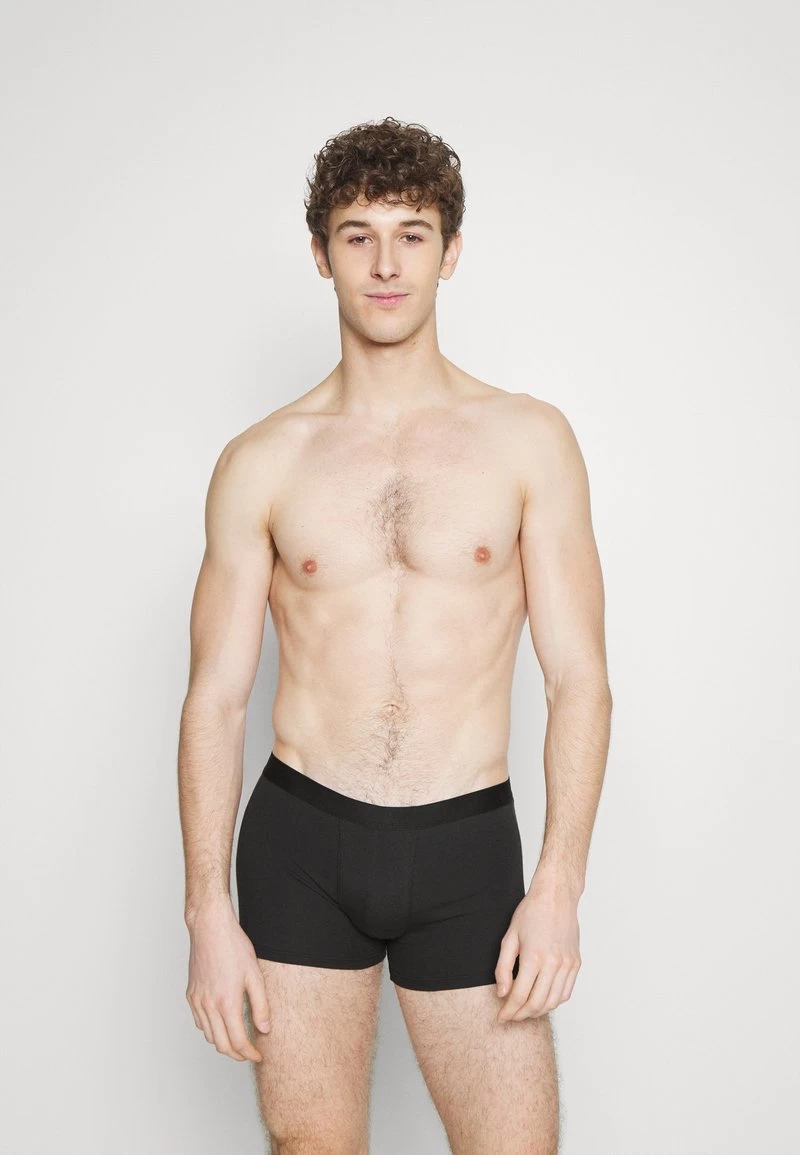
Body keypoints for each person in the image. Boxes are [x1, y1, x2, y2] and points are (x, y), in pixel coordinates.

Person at [178, 115, 612, 1155]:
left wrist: (557, 885)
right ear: (320, 252)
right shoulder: (262, 460)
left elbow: (579, 680)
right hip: (300, 844)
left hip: (465, 846)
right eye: (357, 234)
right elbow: (215, 698)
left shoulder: (528, 440)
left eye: (411, 234)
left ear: (448, 253)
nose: (384, 264)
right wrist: (206, 913)